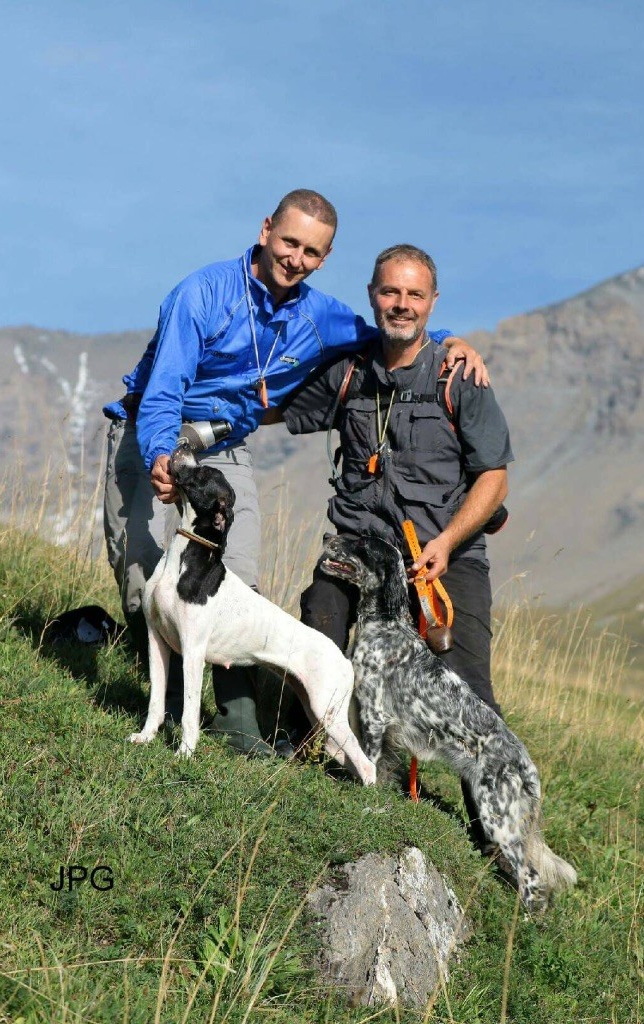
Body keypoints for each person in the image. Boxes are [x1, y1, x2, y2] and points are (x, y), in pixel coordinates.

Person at [103, 194, 486, 757]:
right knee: (140, 571)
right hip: (150, 431)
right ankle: (152, 703)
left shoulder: (319, 314)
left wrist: (450, 339)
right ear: (265, 231)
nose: (296, 258)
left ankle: (237, 728)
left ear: (324, 258)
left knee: (237, 575)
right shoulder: (201, 294)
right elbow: (164, 390)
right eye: (289, 242)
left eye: (312, 251)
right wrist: (163, 456)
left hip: (224, 445)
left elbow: (388, 330)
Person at [280, 244, 513, 843]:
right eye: (390, 292)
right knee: (318, 625)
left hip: (444, 556)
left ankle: (495, 834)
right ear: (372, 295)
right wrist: (194, 411)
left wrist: (449, 540)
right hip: (361, 546)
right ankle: (303, 764)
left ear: (433, 302)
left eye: (414, 294)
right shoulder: (348, 372)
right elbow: (272, 405)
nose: (401, 304)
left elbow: (494, 478)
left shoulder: (460, 375)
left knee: (468, 693)